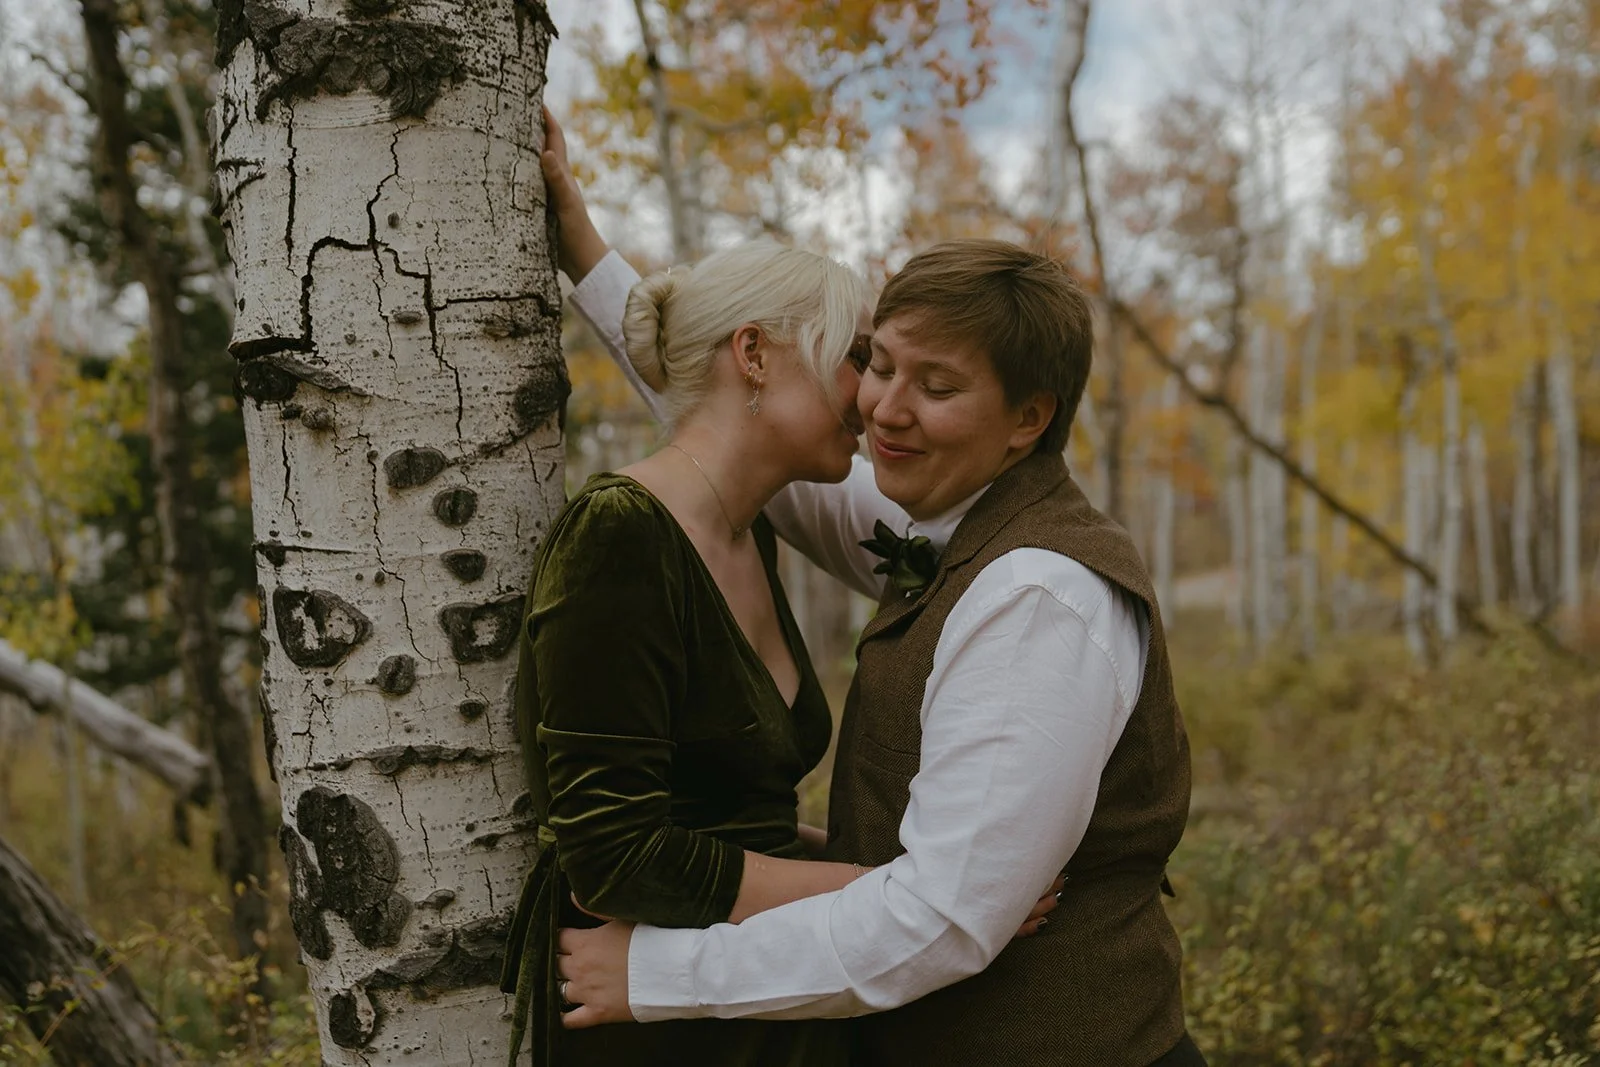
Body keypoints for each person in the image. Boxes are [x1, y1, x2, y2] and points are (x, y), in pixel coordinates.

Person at [542, 111, 1207, 1066]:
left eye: (936, 386)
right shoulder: (930, 521)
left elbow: (938, 920)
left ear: (1028, 418)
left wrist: (658, 976)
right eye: (877, 364)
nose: (884, 408)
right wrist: (581, 246)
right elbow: (731, 415)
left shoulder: (1039, 597)